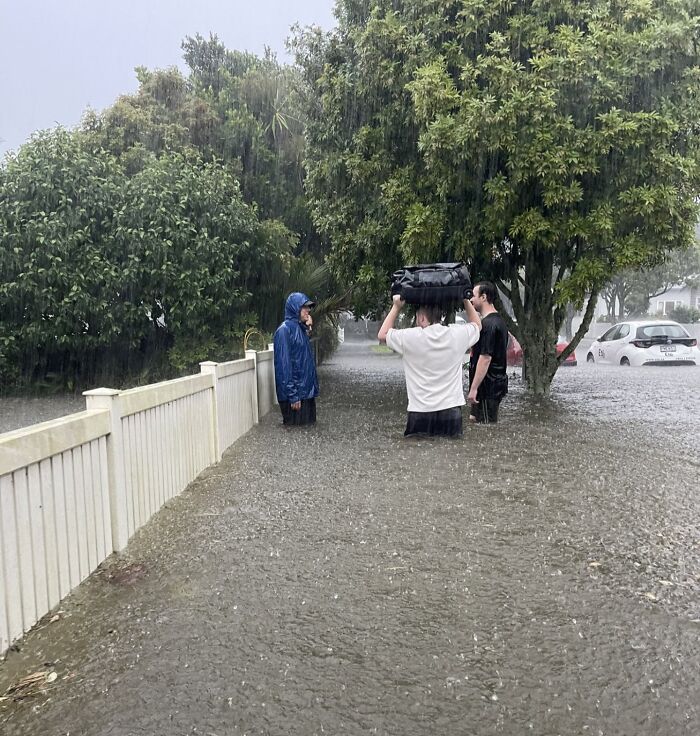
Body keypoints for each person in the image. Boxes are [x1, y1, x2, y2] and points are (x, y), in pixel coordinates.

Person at [378, 293, 481, 437]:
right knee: (452, 455)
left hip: (420, 411)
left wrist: (396, 306)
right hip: (451, 411)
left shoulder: (410, 337)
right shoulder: (457, 334)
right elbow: (477, 325)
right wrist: (464, 299)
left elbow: (382, 334)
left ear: (421, 317)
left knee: (416, 455)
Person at [273, 292, 319, 426]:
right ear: (295, 308)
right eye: (305, 307)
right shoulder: (284, 331)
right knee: (295, 430)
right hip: (295, 397)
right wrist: (293, 395)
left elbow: (302, 353)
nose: (308, 310)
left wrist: (308, 327)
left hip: (305, 394)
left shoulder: (300, 328)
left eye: (309, 307)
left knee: (308, 432)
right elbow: (284, 366)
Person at [467, 281, 509, 424]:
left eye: (473, 296)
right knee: (477, 423)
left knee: (486, 426)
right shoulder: (498, 321)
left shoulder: (489, 325)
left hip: (487, 388)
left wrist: (473, 389)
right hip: (490, 386)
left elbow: (485, 359)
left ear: (483, 297)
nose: (471, 299)